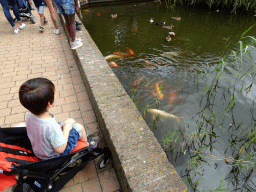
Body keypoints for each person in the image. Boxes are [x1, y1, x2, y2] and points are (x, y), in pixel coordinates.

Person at [19, 78, 96, 160]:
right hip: (53, 155)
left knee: (69, 121)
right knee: (79, 127)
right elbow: (60, 149)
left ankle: (79, 135)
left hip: (40, 150)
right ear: (49, 103)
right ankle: (86, 145)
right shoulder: (52, 127)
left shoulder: (29, 116)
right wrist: (66, 130)